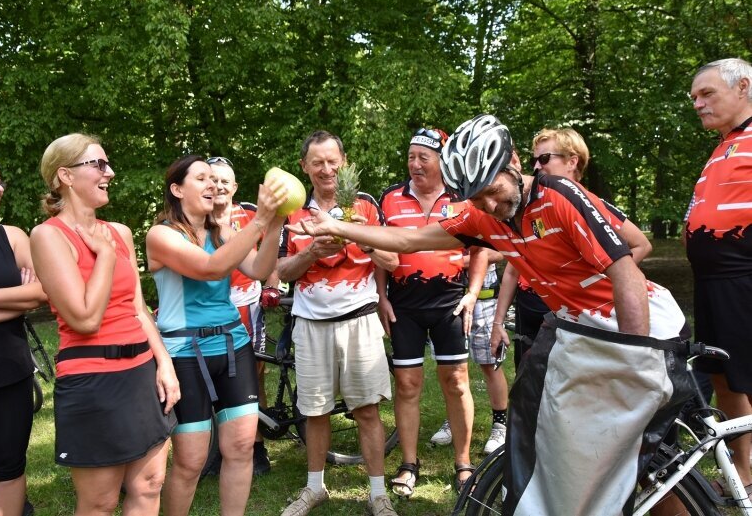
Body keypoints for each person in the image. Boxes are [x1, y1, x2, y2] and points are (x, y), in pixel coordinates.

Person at [288, 114, 693, 515]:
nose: (490, 205)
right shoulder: (480, 215)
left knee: (641, 451)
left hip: (639, 325)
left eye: (493, 191)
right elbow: (407, 238)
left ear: (513, 163)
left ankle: (676, 499)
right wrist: (339, 228)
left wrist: (633, 353)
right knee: (548, 419)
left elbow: (627, 269)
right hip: (580, 322)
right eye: (477, 198)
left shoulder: (560, 196)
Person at [30, 134, 180, 516]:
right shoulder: (48, 236)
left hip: (142, 373)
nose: (109, 173)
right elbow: (84, 318)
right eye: (98, 164)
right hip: (93, 381)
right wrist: (106, 259)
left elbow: (138, 307)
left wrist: (163, 362)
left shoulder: (119, 232)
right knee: (100, 503)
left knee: (149, 486)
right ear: (65, 174)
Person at [145, 155, 285, 516]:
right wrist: (260, 221)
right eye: (202, 178)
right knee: (191, 460)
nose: (213, 185)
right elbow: (210, 268)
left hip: (233, 344)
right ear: (177, 189)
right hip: (184, 352)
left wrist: (275, 225)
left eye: (215, 179)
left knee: (239, 448)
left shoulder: (221, 231)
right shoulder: (161, 234)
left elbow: (258, 269)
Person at [277, 131, 400, 516]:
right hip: (311, 322)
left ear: (344, 163)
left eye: (332, 161)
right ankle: (315, 488)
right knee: (315, 411)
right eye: (318, 162)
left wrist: (358, 238)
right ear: (305, 167)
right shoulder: (292, 212)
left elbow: (393, 261)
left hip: (360, 321)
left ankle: (378, 493)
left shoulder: (363, 206)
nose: (326, 169)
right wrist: (312, 251)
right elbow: (281, 270)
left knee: (366, 409)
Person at [376, 127, 484, 496]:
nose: (415, 164)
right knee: (407, 385)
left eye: (424, 157)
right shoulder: (389, 199)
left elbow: (481, 248)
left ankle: (463, 463)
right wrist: (380, 296)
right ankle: (408, 464)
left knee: (456, 382)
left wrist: (472, 294)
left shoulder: (463, 198)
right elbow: (379, 247)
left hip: (449, 302)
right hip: (403, 304)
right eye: (410, 156)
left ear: (442, 160)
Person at [491, 130, 652, 369]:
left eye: (544, 159)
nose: (536, 166)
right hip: (530, 303)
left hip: (573, 308)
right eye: (534, 159)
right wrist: (498, 322)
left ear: (572, 161)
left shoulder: (587, 201)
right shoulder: (526, 205)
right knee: (529, 380)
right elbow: (514, 268)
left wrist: (598, 284)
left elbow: (641, 244)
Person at [685, 57, 752, 496]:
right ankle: (744, 471)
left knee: (747, 375)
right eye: (694, 98)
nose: (698, 104)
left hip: (743, 277)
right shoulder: (725, 144)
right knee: (721, 375)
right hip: (712, 282)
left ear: (743, 86)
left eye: (707, 94)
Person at [0, 154, 45, 516]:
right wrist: (16, 300)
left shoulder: (13, 236)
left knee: (8, 469)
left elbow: (42, 293)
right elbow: (25, 297)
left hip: (9, 374)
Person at [208, 155, 278, 476]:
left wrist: (272, 286)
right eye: (213, 180)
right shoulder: (195, 217)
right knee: (213, 379)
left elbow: (271, 256)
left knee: (253, 376)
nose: (219, 186)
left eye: (225, 181)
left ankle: (257, 446)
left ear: (234, 187)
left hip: (246, 304)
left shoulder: (250, 214)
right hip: (211, 307)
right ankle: (220, 449)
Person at [430, 247, 508, 457]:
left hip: (484, 299)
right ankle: (453, 420)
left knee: (490, 363)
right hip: (446, 301)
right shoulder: (443, 216)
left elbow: (499, 253)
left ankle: (500, 427)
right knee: (450, 368)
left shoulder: (483, 216)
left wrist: (449, 259)